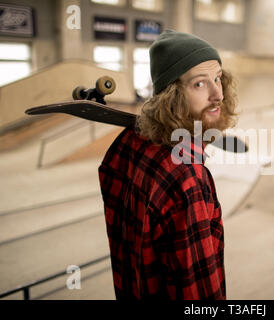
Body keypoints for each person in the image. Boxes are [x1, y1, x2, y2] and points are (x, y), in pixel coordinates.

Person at [98, 30, 238, 300]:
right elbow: (197, 291)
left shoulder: (127, 143)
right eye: (200, 84)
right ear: (171, 96)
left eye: (218, 78)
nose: (217, 94)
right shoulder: (187, 178)